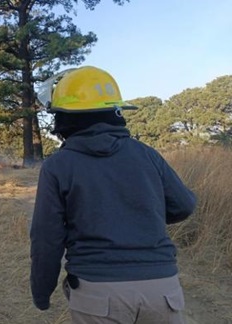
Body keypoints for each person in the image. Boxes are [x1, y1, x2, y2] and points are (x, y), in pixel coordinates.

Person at [30, 66, 196, 323]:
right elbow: (183, 206)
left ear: (64, 117)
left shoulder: (58, 165)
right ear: (114, 111)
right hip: (162, 290)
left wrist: (41, 293)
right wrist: (140, 217)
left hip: (98, 293)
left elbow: (46, 238)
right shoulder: (146, 154)